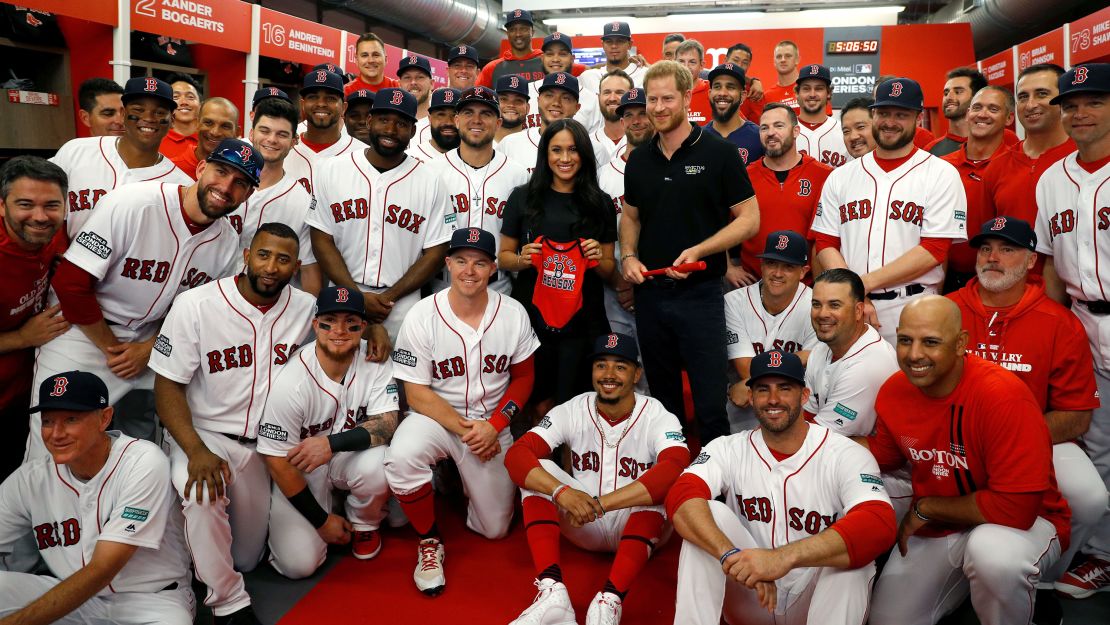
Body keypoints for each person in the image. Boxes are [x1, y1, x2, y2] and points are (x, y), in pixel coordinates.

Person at [33, 139, 261, 457]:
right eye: (221, 171)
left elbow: (199, 314)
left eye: (240, 183)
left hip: (148, 344)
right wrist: (112, 348)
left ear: (249, 195)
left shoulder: (225, 242)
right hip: (82, 334)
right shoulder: (132, 203)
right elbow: (71, 283)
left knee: (137, 446)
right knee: (56, 447)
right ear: (200, 168)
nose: (225, 186)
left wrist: (148, 348)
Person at [865, 296, 1069, 625]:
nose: (914, 354)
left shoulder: (1002, 396)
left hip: (1023, 524)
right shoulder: (893, 391)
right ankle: (972, 593)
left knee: (992, 555)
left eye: (930, 342)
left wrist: (926, 508)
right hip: (943, 527)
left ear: (961, 344)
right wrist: (814, 441)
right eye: (905, 340)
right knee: (888, 620)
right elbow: (885, 456)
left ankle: (1030, 611)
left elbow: (1015, 509)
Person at [149, 223, 316, 625]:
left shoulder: (307, 308)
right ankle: (229, 604)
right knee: (201, 491)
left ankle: (202, 550)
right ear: (246, 255)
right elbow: (167, 386)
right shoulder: (196, 304)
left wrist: (376, 327)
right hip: (208, 435)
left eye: (282, 259)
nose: (271, 266)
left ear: (295, 266)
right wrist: (194, 450)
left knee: (246, 556)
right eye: (263, 254)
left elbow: (346, 330)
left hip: (266, 449)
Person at [667, 349, 896, 625]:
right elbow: (680, 497)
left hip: (810, 600)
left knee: (853, 562)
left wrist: (780, 559)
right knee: (708, 514)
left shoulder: (844, 453)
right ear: (751, 397)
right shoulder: (728, 448)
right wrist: (729, 554)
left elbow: (879, 523)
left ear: (804, 396)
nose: (773, 399)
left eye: (785, 388)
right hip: (749, 591)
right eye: (763, 389)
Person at [948, 216, 1105, 588]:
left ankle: (1043, 576)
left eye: (1007, 249)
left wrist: (1012, 438)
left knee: (1090, 497)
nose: (993, 257)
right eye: (985, 248)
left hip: (1035, 440)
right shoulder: (947, 310)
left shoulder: (1058, 321)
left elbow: (1077, 416)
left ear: (1032, 261)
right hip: (953, 441)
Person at [384, 227, 540, 596]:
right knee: (401, 457)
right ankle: (429, 540)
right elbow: (416, 392)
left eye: (480, 262)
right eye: (462, 261)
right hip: (437, 418)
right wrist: (469, 430)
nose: (470, 270)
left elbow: (525, 378)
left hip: (492, 423)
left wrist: (496, 425)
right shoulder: (423, 315)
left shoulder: (513, 313)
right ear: (448, 265)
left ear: (493, 270)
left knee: (495, 529)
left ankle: (457, 482)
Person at [503, 333, 689, 625]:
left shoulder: (657, 415)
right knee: (536, 471)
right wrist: (562, 491)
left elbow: (676, 467)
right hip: (582, 520)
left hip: (634, 520)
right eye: (601, 365)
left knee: (661, 488)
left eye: (620, 366)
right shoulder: (573, 408)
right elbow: (517, 456)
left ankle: (609, 601)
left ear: (636, 374)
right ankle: (553, 592)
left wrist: (601, 504)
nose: (609, 375)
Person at [621, 60, 759, 444]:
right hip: (650, 296)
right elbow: (630, 217)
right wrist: (628, 256)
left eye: (667, 98)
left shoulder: (719, 152)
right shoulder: (639, 159)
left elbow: (750, 219)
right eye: (652, 99)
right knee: (664, 405)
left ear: (686, 97)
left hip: (701, 295)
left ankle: (714, 493)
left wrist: (700, 248)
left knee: (711, 403)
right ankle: (673, 483)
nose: (659, 107)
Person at [0, 371, 194, 625]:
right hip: (70, 597)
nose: (56, 433)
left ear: (104, 418)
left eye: (71, 419)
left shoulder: (143, 462)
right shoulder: (30, 479)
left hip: (151, 601)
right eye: (48, 421)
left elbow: (102, 570)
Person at [812, 77, 967, 344]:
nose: (890, 121)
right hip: (852, 308)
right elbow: (826, 242)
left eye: (901, 114)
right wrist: (855, 296)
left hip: (913, 304)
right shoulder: (841, 176)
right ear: (873, 115)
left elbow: (935, 249)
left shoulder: (941, 173)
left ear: (918, 119)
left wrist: (859, 287)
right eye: (883, 113)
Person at [257, 286, 399, 576]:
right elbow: (275, 460)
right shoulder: (291, 382)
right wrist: (322, 521)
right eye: (329, 321)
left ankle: (363, 522)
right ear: (315, 325)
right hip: (301, 468)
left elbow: (387, 423)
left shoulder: (374, 360)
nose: (340, 330)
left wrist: (331, 444)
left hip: (344, 456)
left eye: (351, 323)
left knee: (382, 464)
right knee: (298, 565)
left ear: (363, 326)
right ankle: (330, 509)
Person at [1034, 62, 1110, 599]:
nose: (1079, 112)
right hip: (1083, 320)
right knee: (1099, 447)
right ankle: (1103, 555)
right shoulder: (1051, 179)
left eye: (1094, 102)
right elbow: (1048, 269)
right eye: (1072, 104)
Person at [308, 88, 452, 339]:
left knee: (401, 377)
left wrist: (389, 297)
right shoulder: (330, 170)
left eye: (401, 123)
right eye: (384, 119)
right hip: (342, 294)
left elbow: (437, 251)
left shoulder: (432, 180)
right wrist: (355, 296)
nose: (391, 130)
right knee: (338, 373)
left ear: (413, 131)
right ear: (370, 121)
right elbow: (321, 238)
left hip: (402, 303)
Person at [499, 118, 617, 407]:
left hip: (581, 321)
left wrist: (596, 258)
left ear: (584, 155)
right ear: (545, 154)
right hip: (532, 317)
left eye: (573, 150)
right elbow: (504, 257)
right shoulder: (523, 197)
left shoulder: (600, 202)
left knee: (573, 405)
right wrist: (521, 259)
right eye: (556, 150)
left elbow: (609, 269)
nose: (565, 158)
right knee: (532, 401)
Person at [51, 76, 191, 238]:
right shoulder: (75, 151)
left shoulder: (181, 186)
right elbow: (45, 206)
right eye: (138, 110)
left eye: (159, 112)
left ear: (172, 120)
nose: (148, 118)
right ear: (123, 113)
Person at [0, 157, 69, 479]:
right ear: (3, 206)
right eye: (25, 204)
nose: (40, 217)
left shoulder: (50, 236)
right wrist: (23, 338)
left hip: (25, 393)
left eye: (51, 205)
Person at [428, 86, 528, 294]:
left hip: (499, 287)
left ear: (498, 123)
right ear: (456, 120)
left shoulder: (518, 175)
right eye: (468, 113)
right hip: (442, 286)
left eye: (486, 113)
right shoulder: (431, 171)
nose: (477, 120)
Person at [724, 231, 816, 433]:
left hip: (797, 403)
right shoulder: (735, 302)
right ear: (762, 265)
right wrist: (801, 357)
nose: (777, 273)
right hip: (749, 403)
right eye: (772, 263)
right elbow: (747, 369)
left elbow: (817, 359)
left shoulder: (815, 304)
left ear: (803, 271)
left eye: (788, 267)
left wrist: (749, 381)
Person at [230, 97, 322, 295]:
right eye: (265, 131)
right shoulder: (223, 184)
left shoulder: (302, 201)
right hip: (211, 295)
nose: (271, 139)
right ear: (251, 134)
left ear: (294, 141)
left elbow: (308, 271)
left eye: (282, 134)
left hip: (270, 302)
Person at [742, 103, 832, 280]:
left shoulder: (824, 175)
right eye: (764, 128)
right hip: (753, 284)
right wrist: (729, 267)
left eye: (779, 125)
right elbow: (721, 224)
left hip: (806, 284)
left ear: (796, 131)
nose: (770, 133)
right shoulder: (744, 176)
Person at [982, 64, 1074, 228]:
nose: (1030, 105)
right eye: (1023, 97)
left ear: (1064, 99)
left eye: (1042, 94)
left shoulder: (1084, 156)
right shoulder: (997, 167)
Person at [942, 86, 1015, 292]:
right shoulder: (941, 167)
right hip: (946, 278)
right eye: (977, 107)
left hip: (998, 280)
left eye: (993, 109)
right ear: (967, 114)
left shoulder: (1016, 165)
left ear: (1009, 118)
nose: (982, 114)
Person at [597, 89, 654, 343]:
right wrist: (620, 283)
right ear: (621, 122)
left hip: (659, 285)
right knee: (622, 364)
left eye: (643, 113)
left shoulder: (668, 167)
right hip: (614, 287)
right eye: (629, 115)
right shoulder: (603, 174)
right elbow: (595, 237)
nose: (636, 120)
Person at [501, 71, 608, 173]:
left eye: (566, 98)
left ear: (577, 107)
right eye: (549, 95)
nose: (556, 103)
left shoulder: (595, 149)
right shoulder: (510, 144)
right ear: (538, 101)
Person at [285, 71, 366, 198]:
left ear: (344, 108)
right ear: (302, 105)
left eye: (331, 98)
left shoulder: (362, 155)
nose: (321, 103)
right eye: (313, 97)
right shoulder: (284, 151)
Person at [524, 34, 603, 134]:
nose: (556, 59)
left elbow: (594, 143)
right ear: (542, 58)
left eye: (562, 54)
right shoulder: (525, 92)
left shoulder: (592, 100)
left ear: (572, 59)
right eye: (550, 54)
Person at [704, 63, 763, 166]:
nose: (722, 93)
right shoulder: (697, 138)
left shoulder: (760, 137)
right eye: (717, 87)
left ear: (743, 96)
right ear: (709, 93)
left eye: (731, 87)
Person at [170, 97, 240, 181]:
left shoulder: (242, 174)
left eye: (225, 126)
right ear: (197, 124)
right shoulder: (171, 169)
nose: (215, 132)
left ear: (237, 132)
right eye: (208, 123)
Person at [794, 64, 849, 168]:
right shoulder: (785, 132)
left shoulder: (844, 131)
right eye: (806, 89)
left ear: (828, 93)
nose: (812, 94)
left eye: (819, 89)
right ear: (797, 93)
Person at [477, 9, 547, 87]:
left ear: (532, 32)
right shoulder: (491, 68)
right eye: (512, 30)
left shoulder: (546, 62)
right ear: (507, 34)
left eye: (523, 29)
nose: (518, 34)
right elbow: (477, 96)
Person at [577, 22, 647, 93]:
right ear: (603, 45)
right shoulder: (588, 77)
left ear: (629, 44)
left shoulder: (645, 75)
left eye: (620, 41)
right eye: (609, 41)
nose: (614, 46)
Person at [408, 88, 462, 161]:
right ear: (430, 119)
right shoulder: (411, 158)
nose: (448, 122)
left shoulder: (475, 159)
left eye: (454, 115)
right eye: (441, 114)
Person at [591, 71, 632, 166]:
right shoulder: (587, 142)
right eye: (607, 92)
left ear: (631, 97)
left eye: (619, 92)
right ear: (598, 97)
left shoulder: (642, 141)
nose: (612, 98)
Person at [160, 73, 200, 159]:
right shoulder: (156, 140)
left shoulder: (209, 139)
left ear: (200, 104)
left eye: (190, 97)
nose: (183, 102)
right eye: (176, 97)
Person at [724, 43, 766, 123]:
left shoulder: (754, 92)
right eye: (735, 60)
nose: (739, 65)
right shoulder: (710, 84)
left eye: (745, 63)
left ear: (749, 65)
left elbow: (759, 126)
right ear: (726, 60)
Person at [674, 40, 711, 125]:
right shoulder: (665, 92)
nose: (686, 67)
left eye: (692, 62)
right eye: (681, 61)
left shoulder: (713, 91)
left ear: (702, 65)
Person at [397, 54, 433, 126]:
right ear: (399, 85)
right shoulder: (390, 122)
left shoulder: (441, 125)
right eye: (407, 77)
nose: (413, 82)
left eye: (420, 77)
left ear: (431, 84)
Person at [495, 74, 531, 143]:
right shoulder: (479, 143)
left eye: (518, 100)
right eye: (504, 99)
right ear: (494, 104)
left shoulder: (538, 147)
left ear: (527, 108)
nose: (511, 105)